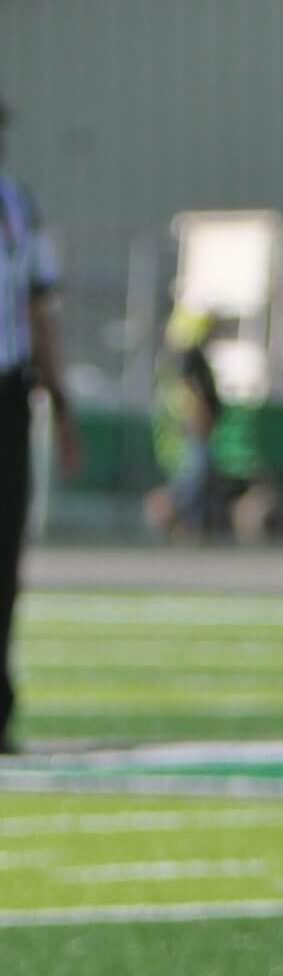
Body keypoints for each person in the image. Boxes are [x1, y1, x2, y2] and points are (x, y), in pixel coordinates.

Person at [0, 97, 82, 752]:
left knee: (5, 558)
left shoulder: (17, 206)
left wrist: (61, 403)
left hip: (7, 394)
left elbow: (38, 313)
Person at [145, 307, 226, 539]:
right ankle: (165, 510)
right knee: (194, 475)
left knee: (200, 475)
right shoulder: (188, 358)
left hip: (195, 427)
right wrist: (199, 417)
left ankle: (192, 524)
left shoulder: (186, 358)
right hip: (193, 428)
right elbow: (191, 393)